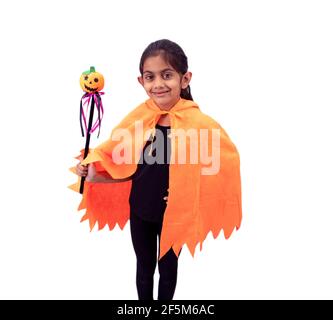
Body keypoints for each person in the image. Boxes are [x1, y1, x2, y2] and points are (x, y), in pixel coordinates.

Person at [74, 39, 242, 300]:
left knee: (168, 270)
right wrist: (94, 174)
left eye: (167, 75)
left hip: (175, 215)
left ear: (184, 79)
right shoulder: (139, 120)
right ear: (141, 81)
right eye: (150, 77)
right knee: (144, 269)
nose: (158, 84)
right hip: (140, 210)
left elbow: (220, 162)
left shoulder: (198, 124)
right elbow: (124, 167)